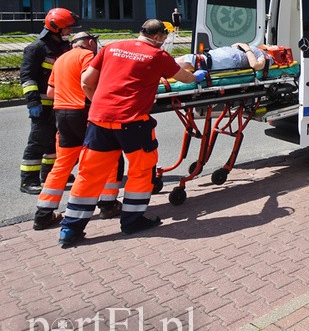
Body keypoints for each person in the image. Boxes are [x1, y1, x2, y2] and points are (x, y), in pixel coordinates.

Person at [57, 20, 206, 248]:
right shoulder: (157, 55)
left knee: (89, 175)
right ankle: (133, 222)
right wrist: (197, 77)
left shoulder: (111, 48)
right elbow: (184, 78)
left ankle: (70, 229)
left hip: (99, 120)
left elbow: (86, 81)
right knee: (141, 171)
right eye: (163, 39)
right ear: (158, 37)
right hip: (133, 122)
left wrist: (99, 103)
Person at [33, 32, 124, 230]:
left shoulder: (60, 59)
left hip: (62, 114)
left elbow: (50, 92)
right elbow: (89, 82)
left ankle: (43, 214)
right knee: (109, 157)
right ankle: (108, 205)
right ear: (90, 43)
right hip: (82, 112)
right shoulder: (87, 56)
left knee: (62, 164)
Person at [19, 8, 79, 194]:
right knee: (38, 141)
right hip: (42, 105)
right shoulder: (36, 48)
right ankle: (28, 180)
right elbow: (27, 78)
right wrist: (33, 102)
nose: (70, 31)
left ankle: (50, 173)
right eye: (68, 28)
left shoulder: (63, 47)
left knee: (55, 142)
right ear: (56, 29)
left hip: (60, 103)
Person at [175, 43, 270, 72]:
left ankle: (164, 65)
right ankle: (165, 66)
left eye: (272, 45)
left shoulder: (264, 55)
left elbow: (256, 65)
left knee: (195, 60)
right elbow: (234, 45)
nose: (269, 44)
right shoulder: (257, 49)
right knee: (195, 60)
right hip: (223, 54)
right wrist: (241, 45)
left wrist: (247, 48)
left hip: (228, 60)